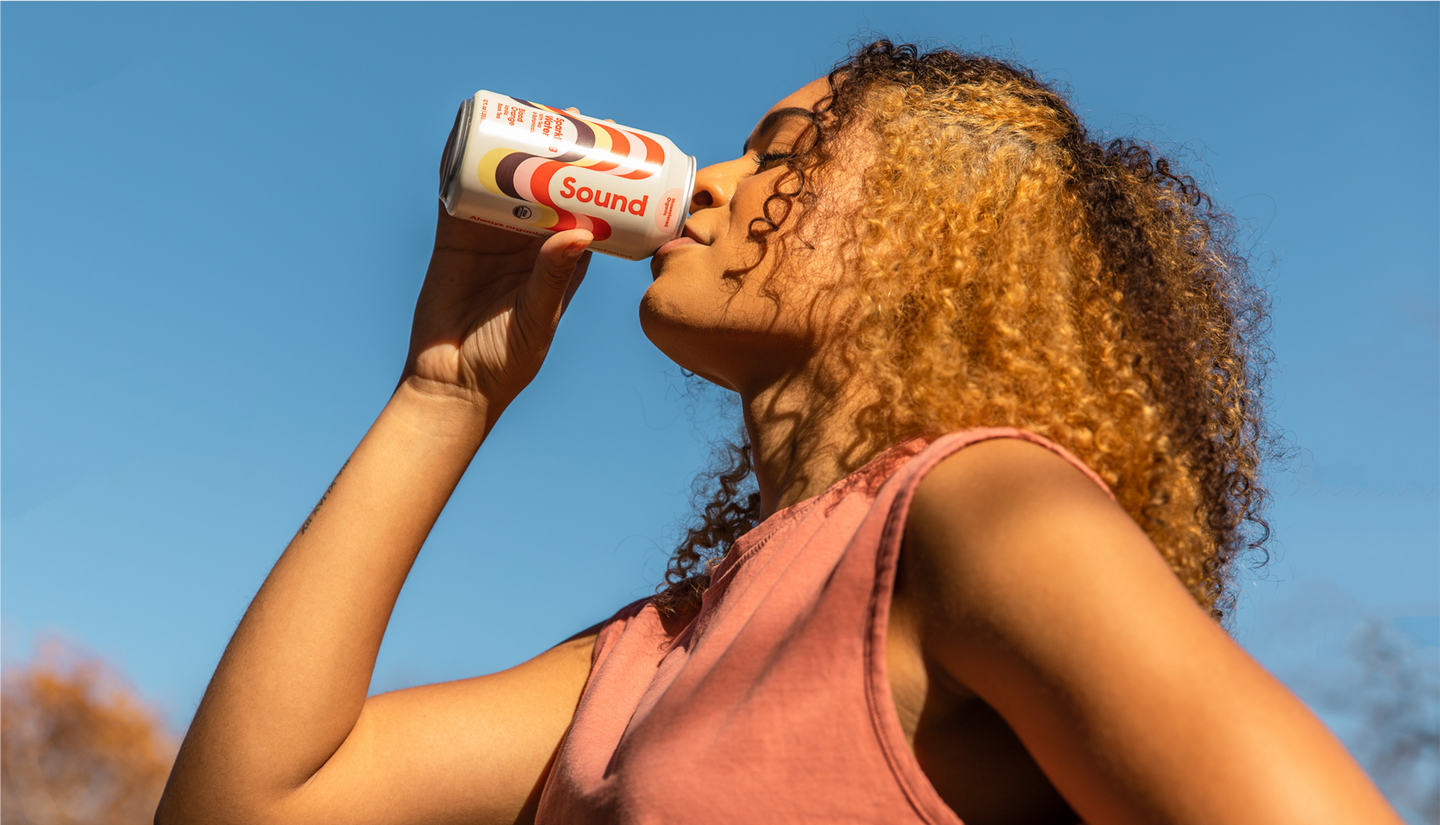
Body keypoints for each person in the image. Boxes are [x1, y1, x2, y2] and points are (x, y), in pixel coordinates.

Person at [155, 41, 1403, 825]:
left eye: (781, 153)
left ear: (933, 236)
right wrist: (444, 395)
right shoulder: (655, 649)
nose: (705, 181)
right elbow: (249, 804)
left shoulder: (980, 508)